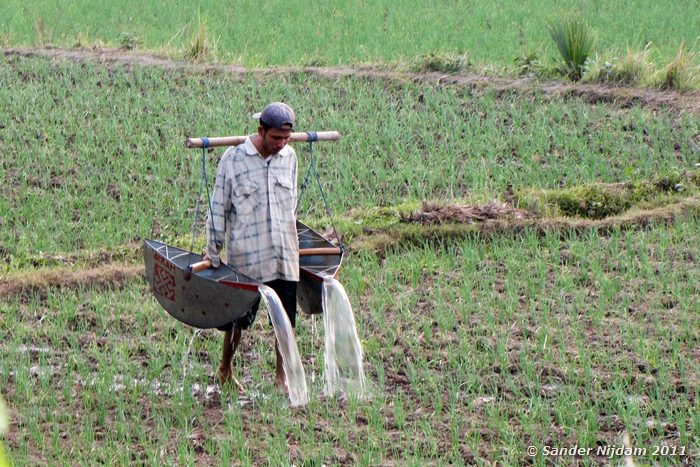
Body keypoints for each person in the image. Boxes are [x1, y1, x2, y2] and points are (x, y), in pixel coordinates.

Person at [204, 102, 299, 391]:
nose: (281, 145)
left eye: (286, 139)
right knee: (237, 320)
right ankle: (225, 368)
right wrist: (213, 250)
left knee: (284, 322)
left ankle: (282, 377)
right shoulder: (233, 160)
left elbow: (292, 205)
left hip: (283, 253)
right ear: (261, 131)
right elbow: (218, 206)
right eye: (275, 139)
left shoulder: (289, 157)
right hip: (248, 256)